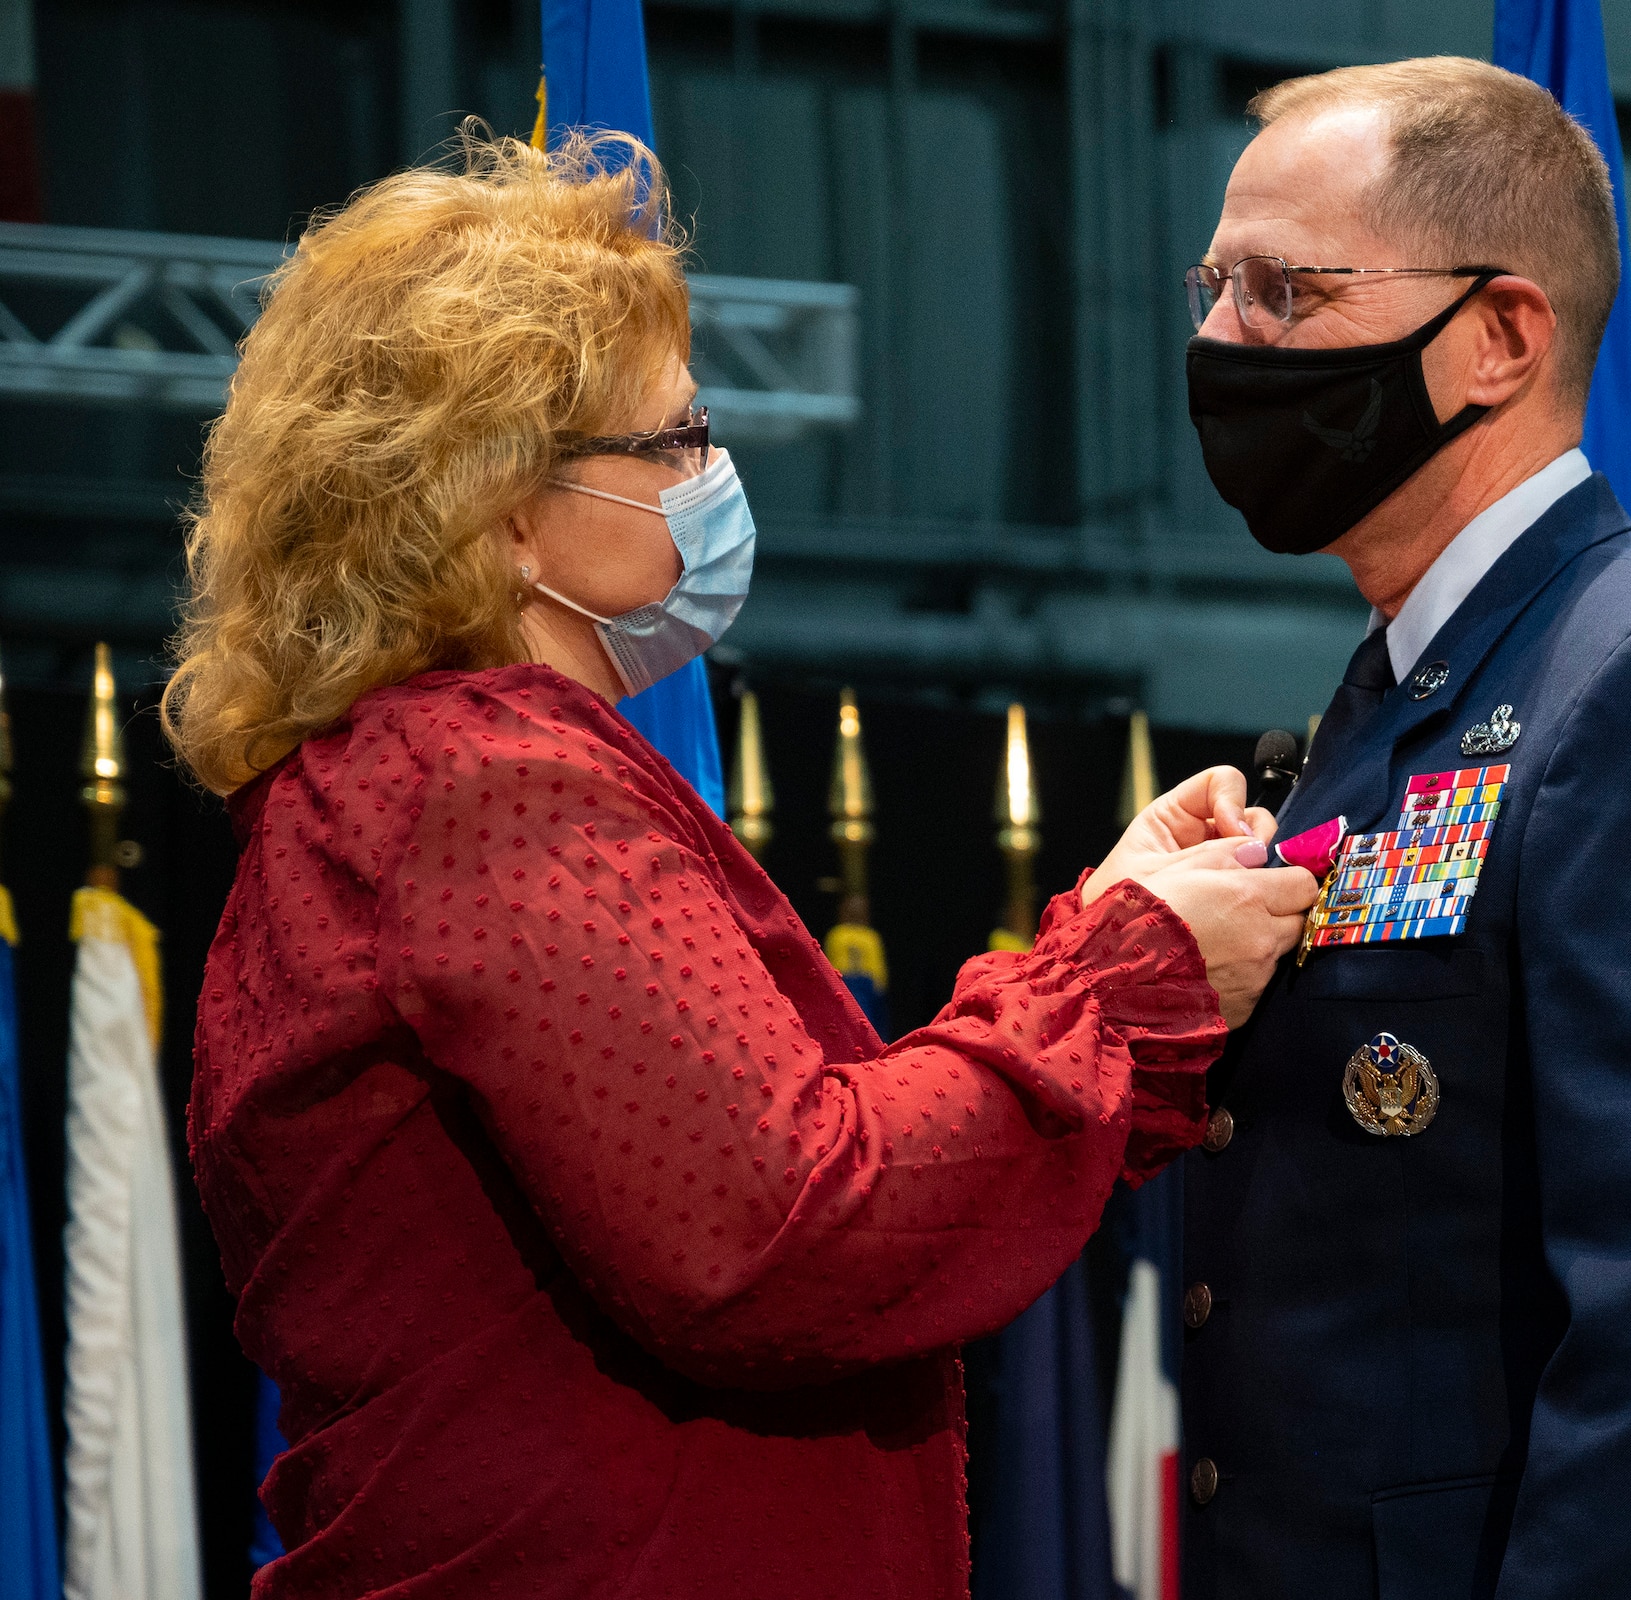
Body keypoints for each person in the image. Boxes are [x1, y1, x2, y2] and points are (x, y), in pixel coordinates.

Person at [164, 132, 1318, 1599]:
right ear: (506, 510)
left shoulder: (396, 779)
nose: (717, 475)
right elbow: (784, 1228)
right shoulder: (485, 784)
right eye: (677, 442)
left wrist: (1099, 931)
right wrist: (1130, 973)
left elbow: (762, 1142)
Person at [1179, 57, 1631, 1598]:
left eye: (1287, 291)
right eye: (1213, 286)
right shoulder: (1408, 691)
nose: (1222, 342)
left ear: (1498, 337)